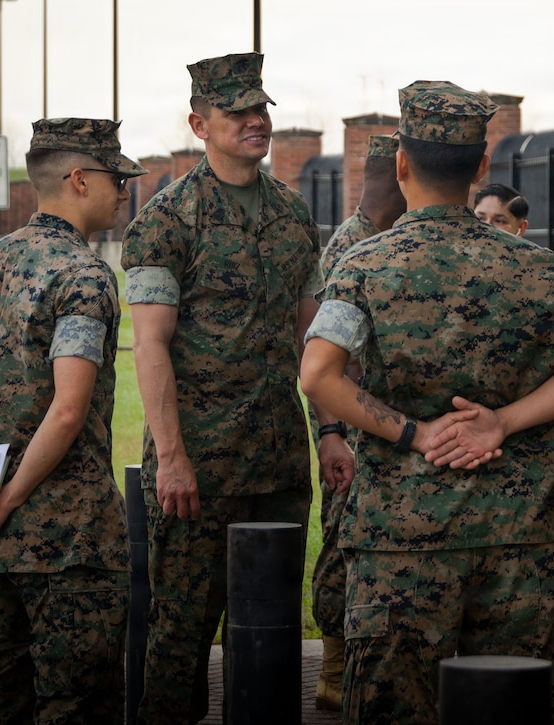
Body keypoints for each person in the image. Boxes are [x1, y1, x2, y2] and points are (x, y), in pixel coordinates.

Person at [299, 80, 554, 724]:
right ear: (481, 169)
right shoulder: (540, 268)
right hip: (517, 539)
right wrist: (501, 420)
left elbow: (319, 375)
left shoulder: (363, 265)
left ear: (401, 164)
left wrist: (416, 434)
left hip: (400, 541)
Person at [120, 52, 354, 724]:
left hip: (278, 459)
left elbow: (315, 341)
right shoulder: (167, 220)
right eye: (237, 111)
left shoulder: (290, 214)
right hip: (198, 466)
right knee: (180, 632)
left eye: (261, 109)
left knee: (270, 631)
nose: (256, 121)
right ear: (200, 123)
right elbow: (151, 345)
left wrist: (331, 432)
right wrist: (170, 456)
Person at [0, 117, 146, 723]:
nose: (125, 190)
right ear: (79, 180)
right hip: (69, 542)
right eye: (117, 177)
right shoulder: (83, 276)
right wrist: (9, 501)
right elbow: (69, 407)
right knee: (76, 706)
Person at [312, 132, 405, 712]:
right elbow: (322, 359)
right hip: (353, 429)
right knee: (342, 542)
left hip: (387, 427)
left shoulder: (392, 238)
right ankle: (333, 659)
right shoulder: (350, 248)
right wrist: (333, 433)